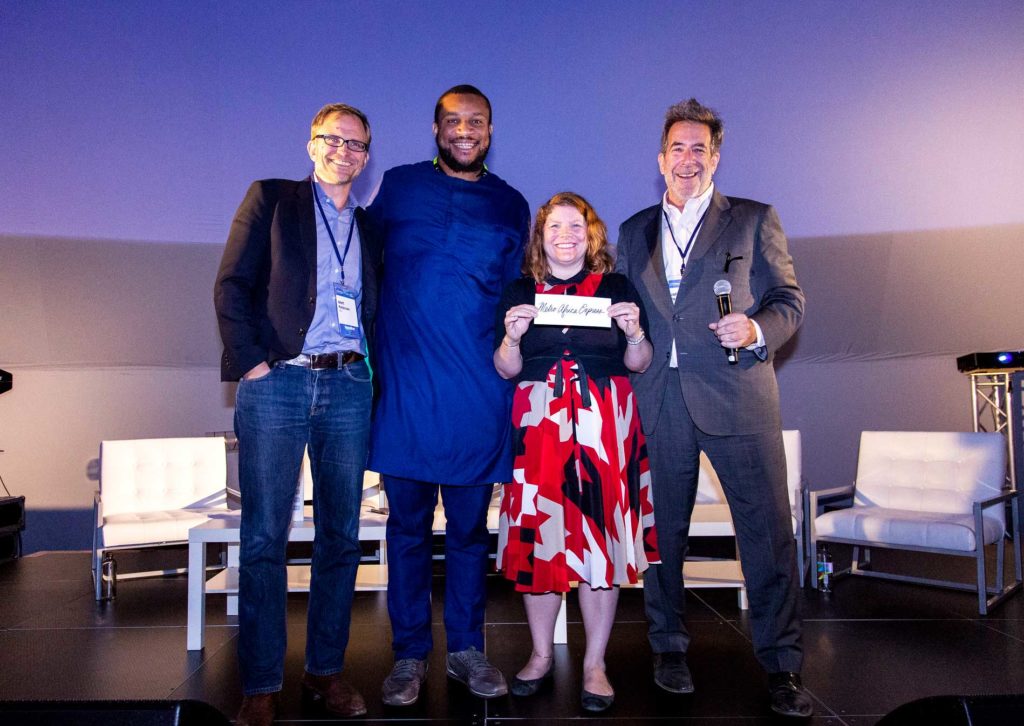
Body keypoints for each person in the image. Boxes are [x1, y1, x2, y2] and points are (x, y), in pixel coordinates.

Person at [614, 99, 811, 718]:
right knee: (661, 539)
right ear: (660, 159)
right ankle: (668, 648)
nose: (688, 159)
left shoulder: (753, 219)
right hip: (659, 401)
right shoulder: (633, 230)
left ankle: (782, 665)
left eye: (700, 148)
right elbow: (623, 311)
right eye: (677, 148)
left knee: (767, 537)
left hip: (738, 395)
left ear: (716, 158)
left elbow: (788, 301)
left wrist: (755, 330)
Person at [214, 103, 378, 726]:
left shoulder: (369, 225)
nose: (344, 151)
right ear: (312, 144)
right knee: (264, 538)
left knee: (341, 537)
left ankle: (324, 672)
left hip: (348, 386)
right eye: (333, 139)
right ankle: (260, 684)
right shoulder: (272, 199)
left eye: (356, 144)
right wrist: (254, 364)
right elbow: (231, 285)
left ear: (366, 157)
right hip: (277, 383)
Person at [366, 84, 530, 706]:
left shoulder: (511, 204)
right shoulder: (399, 187)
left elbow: (519, 298)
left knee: (467, 533)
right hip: (406, 391)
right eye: (454, 121)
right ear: (436, 129)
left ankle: (466, 649)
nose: (466, 131)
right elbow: (363, 266)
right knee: (407, 529)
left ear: (490, 131)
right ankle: (409, 655)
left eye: (477, 121)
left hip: (478, 394)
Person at [493, 192, 657, 712]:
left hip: (604, 426)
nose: (565, 236)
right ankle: (541, 654)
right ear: (540, 238)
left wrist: (634, 333)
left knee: (600, 544)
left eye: (575, 226)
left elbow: (640, 362)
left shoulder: (616, 287)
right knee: (539, 540)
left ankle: (594, 665)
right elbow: (505, 369)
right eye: (554, 227)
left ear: (591, 236)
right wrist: (512, 339)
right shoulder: (520, 290)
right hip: (539, 427)